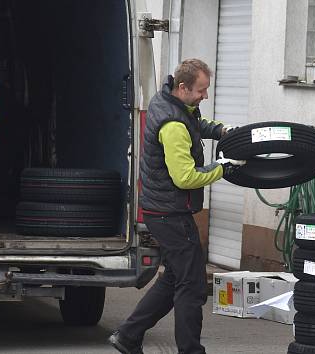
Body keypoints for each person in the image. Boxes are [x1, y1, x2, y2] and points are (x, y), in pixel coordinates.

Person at [109, 58, 245, 354]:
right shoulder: (172, 125)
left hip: (164, 209)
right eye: (201, 90)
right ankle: (190, 350)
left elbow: (195, 123)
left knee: (174, 277)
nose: (205, 96)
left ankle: (128, 336)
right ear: (183, 87)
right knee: (192, 285)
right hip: (169, 213)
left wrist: (221, 131)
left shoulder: (171, 101)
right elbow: (185, 177)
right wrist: (224, 167)